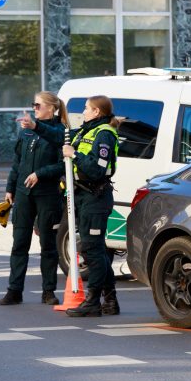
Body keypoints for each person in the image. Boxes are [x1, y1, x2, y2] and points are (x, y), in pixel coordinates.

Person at [32, 95, 120, 317]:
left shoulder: (104, 134)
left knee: (93, 249)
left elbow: (97, 170)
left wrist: (75, 154)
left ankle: (93, 302)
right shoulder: (86, 131)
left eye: (87, 108)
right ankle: (110, 300)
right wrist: (36, 126)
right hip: (82, 196)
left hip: (95, 197)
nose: (84, 112)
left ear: (97, 112)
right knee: (93, 250)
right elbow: (59, 137)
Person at [0, 92, 68, 306]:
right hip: (23, 193)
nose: (35, 109)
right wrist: (10, 187)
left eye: (38, 105)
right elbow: (18, 162)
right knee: (19, 243)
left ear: (51, 108)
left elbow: (62, 164)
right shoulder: (26, 132)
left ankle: (48, 291)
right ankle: (14, 290)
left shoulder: (60, 132)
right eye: (33, 105)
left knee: (48, 244)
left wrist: (41, 174)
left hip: (47, 195)